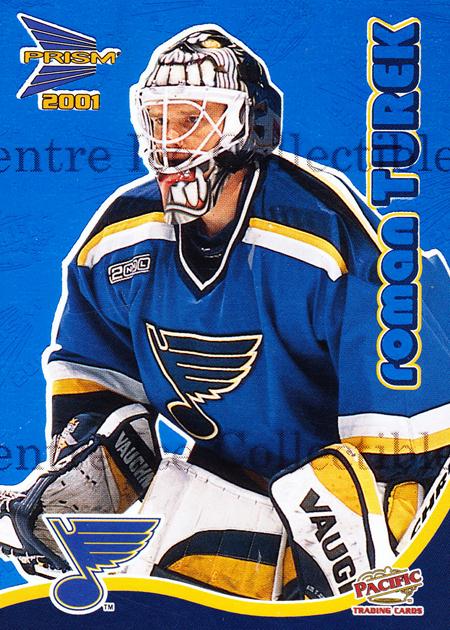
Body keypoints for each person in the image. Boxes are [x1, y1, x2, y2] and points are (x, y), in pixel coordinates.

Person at [0, 25, 448, 601]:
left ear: (250, 126)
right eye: (158, 120)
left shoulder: (323, 240)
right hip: (235, 474)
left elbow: (407, 446)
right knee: (153, 553)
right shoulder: (118, 242)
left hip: (362, 474)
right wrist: (88, 475)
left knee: (349, 524)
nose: (169, 140)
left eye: (191, 119)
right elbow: (95, 388)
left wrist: (365, 548)